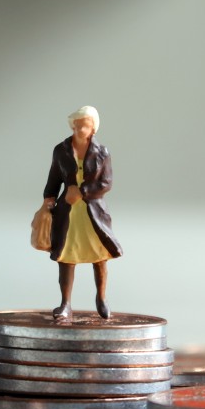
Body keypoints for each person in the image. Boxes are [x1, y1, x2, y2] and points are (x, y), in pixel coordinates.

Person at [42, 105, 122, 320]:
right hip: (68, 213)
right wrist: (49, 197)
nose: (79, 130)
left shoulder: (102, 152)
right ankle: (65, 303)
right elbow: (54, 177)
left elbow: (106, 183)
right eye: (76, 126)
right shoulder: (61, 150)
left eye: (84, 126)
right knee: (66, 257)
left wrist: (82, 191)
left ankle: (102, 299)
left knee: (100, 256)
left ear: (93, 128)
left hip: (93, 212)